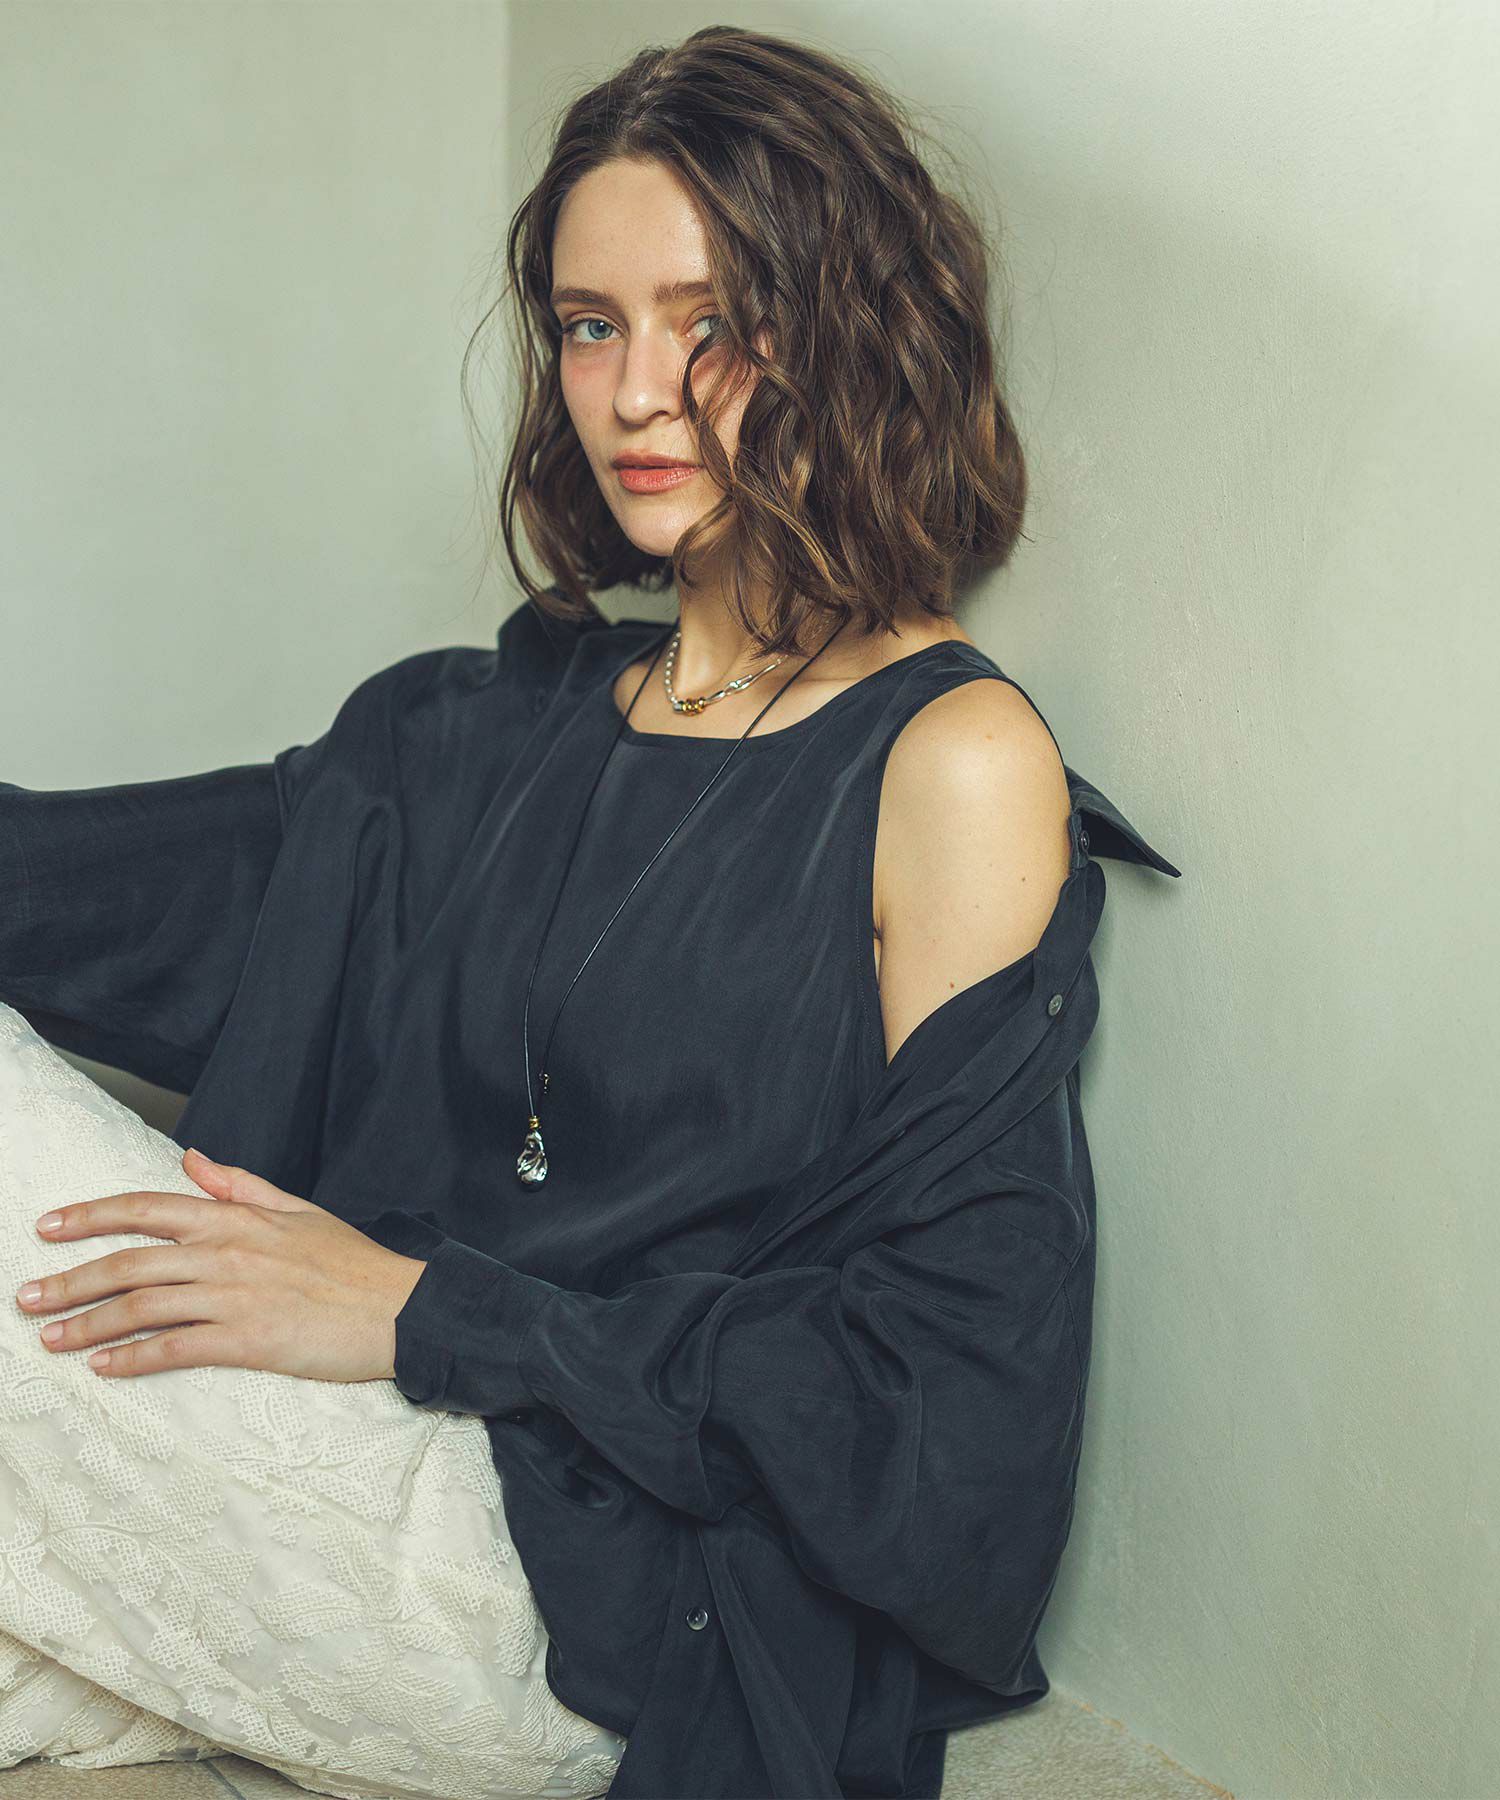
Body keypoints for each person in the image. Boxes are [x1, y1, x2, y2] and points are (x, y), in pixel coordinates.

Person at [0, 24, 1181, 1800]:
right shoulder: (480, 726)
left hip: (590, 1586)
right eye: (587, 323)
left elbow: (945, 1416)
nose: (635, 394)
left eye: (714, 322)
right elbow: (106, 884)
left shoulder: (949, 761)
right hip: (349, 1449)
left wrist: (424, 1311)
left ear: (854, 331)